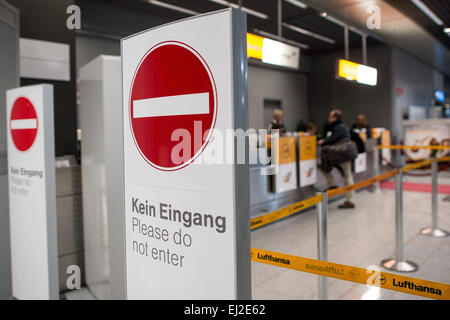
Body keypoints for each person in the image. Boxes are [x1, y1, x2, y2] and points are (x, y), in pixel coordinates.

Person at [318, 109, 356, 209]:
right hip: (340, 154)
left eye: (330, 116)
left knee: (347, 176)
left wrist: (323, 141)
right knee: (345, 175)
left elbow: (334, 138)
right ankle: (335, 187)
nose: (329, 119)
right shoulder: (341, 126)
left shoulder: (339, 127)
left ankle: (350, 200)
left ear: (335, 118)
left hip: (340, 154)